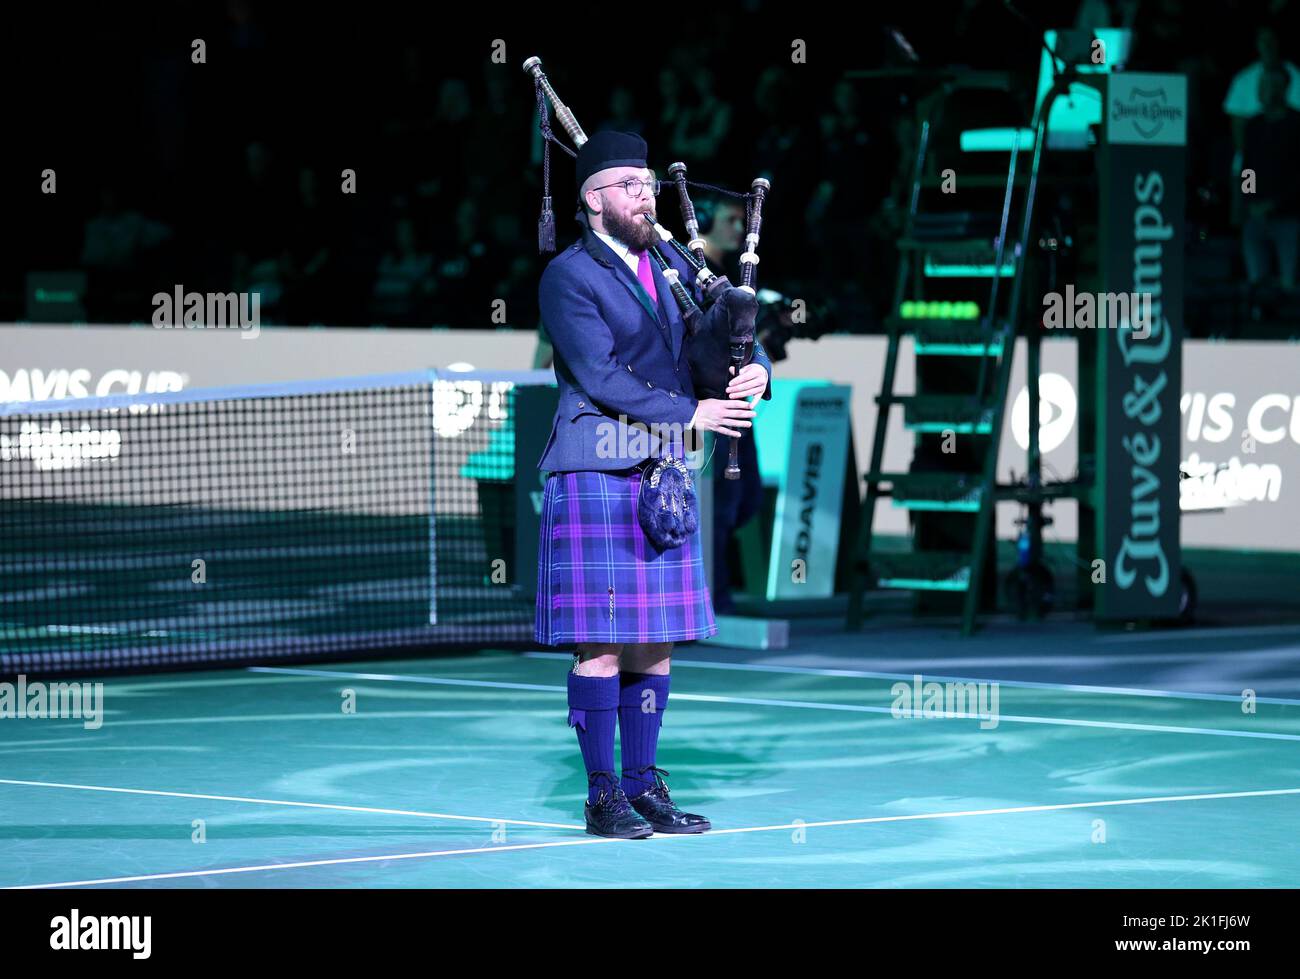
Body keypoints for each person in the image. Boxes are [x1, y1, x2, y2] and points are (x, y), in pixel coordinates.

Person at [534, 131, 773, 838]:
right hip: (595, 464)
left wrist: (754, 364)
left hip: (661, 466)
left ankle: (643, 786)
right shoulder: (569, 276)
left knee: (654, 640)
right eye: (631, 185)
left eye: (649, 184)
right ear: (593, 200)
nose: (647, 196)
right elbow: (600, 373)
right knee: (602, 644)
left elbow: (724, 323)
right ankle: (602, 794)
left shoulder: (670, 260)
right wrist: (691, 410)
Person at [1242, 63, 1300, 301]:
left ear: (1284, 88)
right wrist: (1251, 200)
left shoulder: (1296, 124)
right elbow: (1248, 169)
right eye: (1264, 84)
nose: (1268, 90)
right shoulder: (1254, 125)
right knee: (1256, 281)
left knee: (1289, 283)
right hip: (1257, 215)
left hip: (1290, 216)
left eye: (1274, 84)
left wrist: (1276, 203)